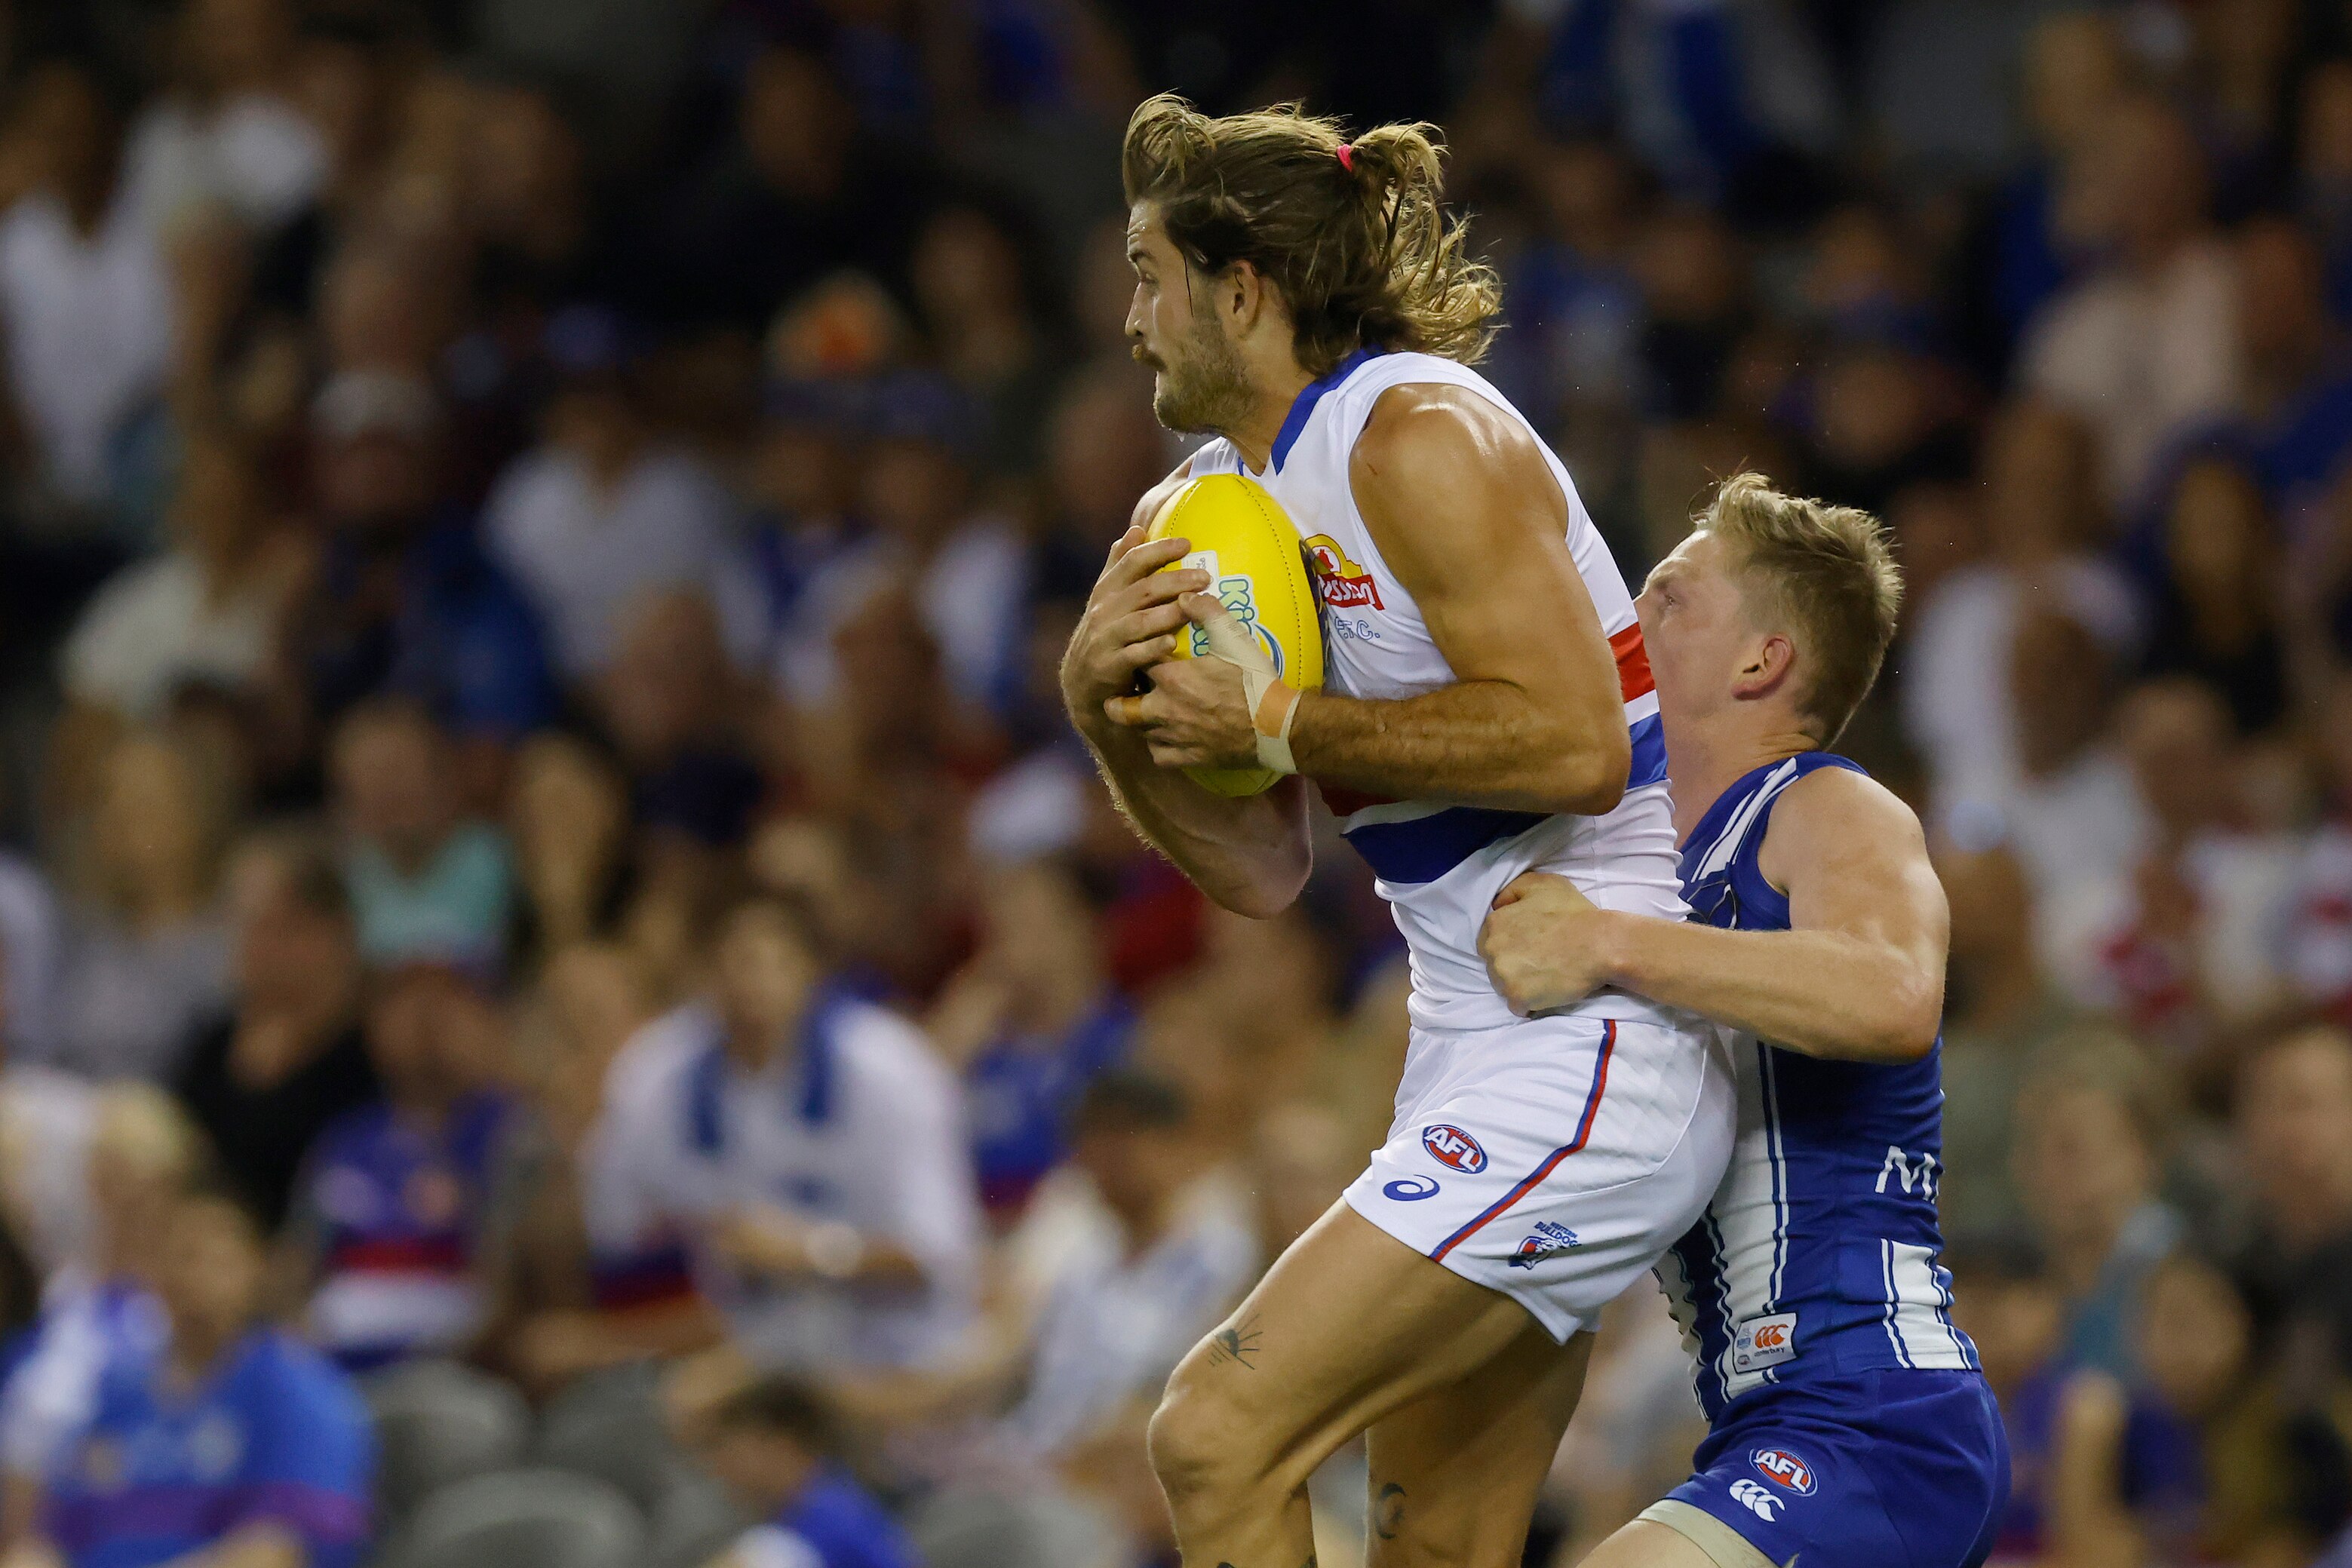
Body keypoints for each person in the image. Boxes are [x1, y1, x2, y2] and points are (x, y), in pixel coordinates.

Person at [1059, 97, 1732, 1566]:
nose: (1128, 318)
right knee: (1430, 1543)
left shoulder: (1415, 434)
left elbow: (1568, 745)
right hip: (1468, 1028)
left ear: (1241, 291)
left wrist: (1282, 721)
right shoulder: (1206, 511)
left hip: (1603, 1021)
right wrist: (1097, 705)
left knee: (1211, 1432)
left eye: (1146, 275)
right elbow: (1259, 865)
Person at [1476, 474, 2007, 1568]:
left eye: (1668, 593)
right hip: (1756, 1423)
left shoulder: (1825, 804)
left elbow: (1893, 993)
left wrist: (1608, 947)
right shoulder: (1642, 870)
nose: (1625, 609)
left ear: (1761, 662)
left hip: (1875, 1412)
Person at [577, 893, 981, 1378]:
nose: (751, 986)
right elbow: (615, 1234)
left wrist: (811, 1252)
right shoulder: (656, 1074)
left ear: (812, 971)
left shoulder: (889, 1070)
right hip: (737, 1354)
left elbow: (942, 1259)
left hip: (893, 1357)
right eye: (734, 964)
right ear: (702, 972)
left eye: (771, 964)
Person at [18, 1179, 373, 1568]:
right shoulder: (115, 1393)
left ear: (258, 1269)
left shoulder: (302, 1393)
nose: (194, 1279)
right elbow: (50, 1538)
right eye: (181, 1257)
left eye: (216, 1261)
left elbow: (275, 1552)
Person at [284, 962, 520, 1372]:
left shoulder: (514, 1134)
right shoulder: (345, 1141)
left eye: (451, 995)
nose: (428, 1015)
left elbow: (509, 1292)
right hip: (334, 1365)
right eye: (405, 995)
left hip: (450, 1369)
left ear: (491, 1020)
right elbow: (294, 1267)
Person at [690, 1373, 917, 1568]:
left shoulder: (830, 1512)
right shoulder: (801, 1511)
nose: (719, 1469)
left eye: (730, 1451)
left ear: (778, 1439)